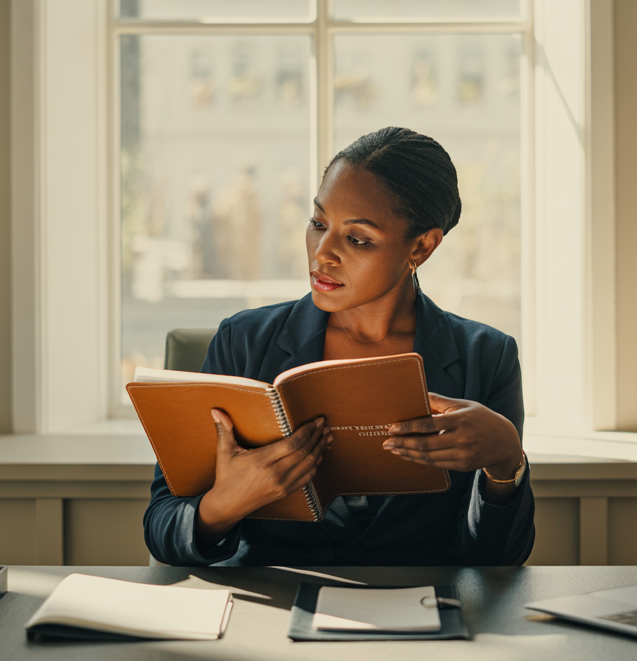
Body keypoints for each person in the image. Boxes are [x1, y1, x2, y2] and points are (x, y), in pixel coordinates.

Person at [144, 127, 534, 566]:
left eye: (357, 239)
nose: (321, 254)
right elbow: (162, 527)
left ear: (422, 246)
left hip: (421, 614)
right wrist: (225, 504)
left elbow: (500, 562)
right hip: (268, 613)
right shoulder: (242, 342)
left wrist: (506, 462)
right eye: (318, 223)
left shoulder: (487, 356)